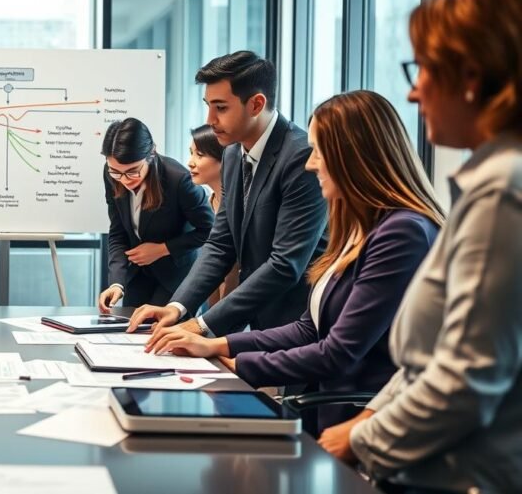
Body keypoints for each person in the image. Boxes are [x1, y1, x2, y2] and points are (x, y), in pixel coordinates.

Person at [318, 0, 522, 493]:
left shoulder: (504, 191)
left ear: (472, 77)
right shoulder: (487, 184)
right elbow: (419, 369)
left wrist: (359, 441)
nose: (415, 93)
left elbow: (465, 379)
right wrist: (363, 427)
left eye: (425, 69)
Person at [147, 90, 442, 434]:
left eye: (319, 151)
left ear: (353, 157)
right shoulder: (362, 228)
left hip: (363, 425)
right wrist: (215, 344)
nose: (310, 163)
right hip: (333, 410)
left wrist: (238, 364)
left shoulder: (403, 232)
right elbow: (308, 327)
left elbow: (338, 352)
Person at [128, 51, 328, 340]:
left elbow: (285, 265)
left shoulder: (299, 157)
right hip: (255, 325)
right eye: (208, 106)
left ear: (257, 104)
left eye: (220, 108)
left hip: (296, 327)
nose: (210, 120)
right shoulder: (233, 154)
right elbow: (221, 243)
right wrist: (178, 306)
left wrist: (202, 325)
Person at [96, 118, 214, 311]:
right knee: (128, 330)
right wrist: (116, 282)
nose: (124, 180)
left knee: (158, 332)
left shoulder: (179, 179)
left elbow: (210, 229)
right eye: (116, 172)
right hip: (138, 274)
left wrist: (162, 249)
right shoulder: (111, 174)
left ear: (151, 155)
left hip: (175, 274)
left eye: (132, 171)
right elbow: (118, 231)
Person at [187, 123, 237, 307]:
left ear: (225, 158)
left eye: (199, 155)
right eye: (191, 153)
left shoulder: (240, 205)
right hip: (213, 307)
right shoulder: (208, 203)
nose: (190, 162)